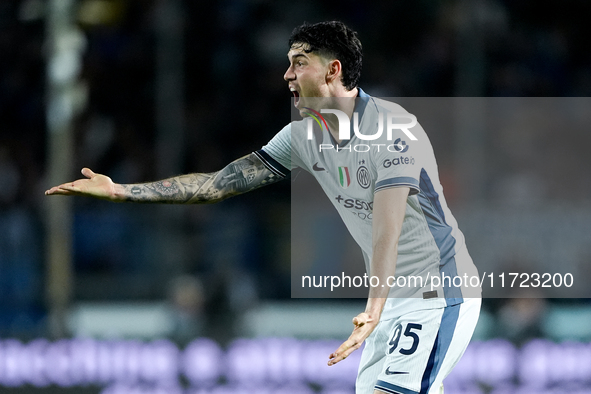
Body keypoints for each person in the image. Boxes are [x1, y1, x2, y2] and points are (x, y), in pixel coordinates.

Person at [46, 21, 481, 394]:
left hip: (437, 293)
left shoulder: (393, 127)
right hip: (388, 304)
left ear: (333, 69)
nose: (287, 74)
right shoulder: (302, 137)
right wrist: (124, 191)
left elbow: (389, 221)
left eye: (298, 62)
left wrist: (374, 305)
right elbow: (218, 184)